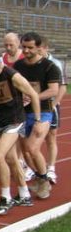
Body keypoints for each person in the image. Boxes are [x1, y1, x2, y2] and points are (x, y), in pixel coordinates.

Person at [0, 47, 40, 215]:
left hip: (15, 120)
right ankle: (24, 194)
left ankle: (6, 198)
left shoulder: (12, 75)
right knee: (12, 159)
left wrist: (37, 119)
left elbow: (33, 95)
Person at [13, 32, 60, 200]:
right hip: (22, 113)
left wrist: (34, 96)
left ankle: (44, 180)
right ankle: (41, 178)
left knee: (32, 148)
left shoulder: (49, 67)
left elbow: (53, 90)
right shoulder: (18, 65)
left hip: (44, 111)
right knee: (25, 151)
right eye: (24, 47)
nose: (26, 50)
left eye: (30, 48)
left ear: (39, 47)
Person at [41, 41, 66, 185]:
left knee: (51, 137)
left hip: (50, 105)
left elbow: (62, 87)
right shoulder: (31, 63)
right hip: (34, 105)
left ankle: (51, 168)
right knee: (30, 138)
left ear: (45, 48)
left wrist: (53, 104)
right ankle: (32, 167)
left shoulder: (55, 63)